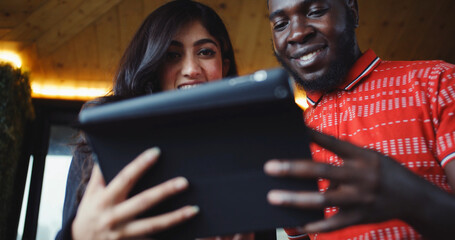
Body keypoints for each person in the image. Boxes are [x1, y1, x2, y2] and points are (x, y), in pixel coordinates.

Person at [55, 1, 256, 239]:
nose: (191, 69)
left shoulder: (247, 155)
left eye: (205, 52)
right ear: (153, 67)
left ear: (224, 66)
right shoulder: (103, 144)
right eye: (172, 55)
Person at [264, 0, 455, 239]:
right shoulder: (290, 136)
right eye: (281, 24)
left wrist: (416, 200)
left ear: (352, 11)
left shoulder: (438, 82)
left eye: (315, 11)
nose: (298, 33)